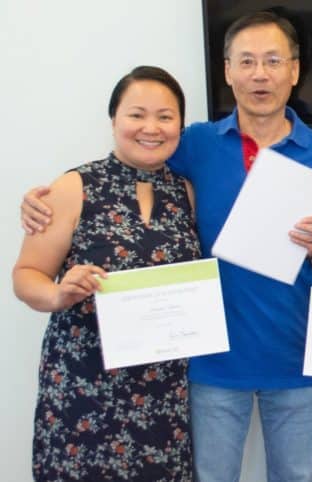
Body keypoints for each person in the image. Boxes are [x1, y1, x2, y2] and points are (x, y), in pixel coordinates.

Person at [20, 11, 312, 482]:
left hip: (296, 349)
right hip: (209, 358)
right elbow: (130, 163)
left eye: (273, 61)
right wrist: (37, 200)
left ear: (294, 70)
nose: (260, 73)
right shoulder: (194, 143)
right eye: (247, 61)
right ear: (227, 70)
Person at [12, 66, 198, 481]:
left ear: (181, 127)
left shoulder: (186, 193)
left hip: (163, 393)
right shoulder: (73, 187)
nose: (151, 127)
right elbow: (26, 274)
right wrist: (58, 295)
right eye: (137, 114)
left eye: (165, 117)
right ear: (114, 120)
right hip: (85, 387)